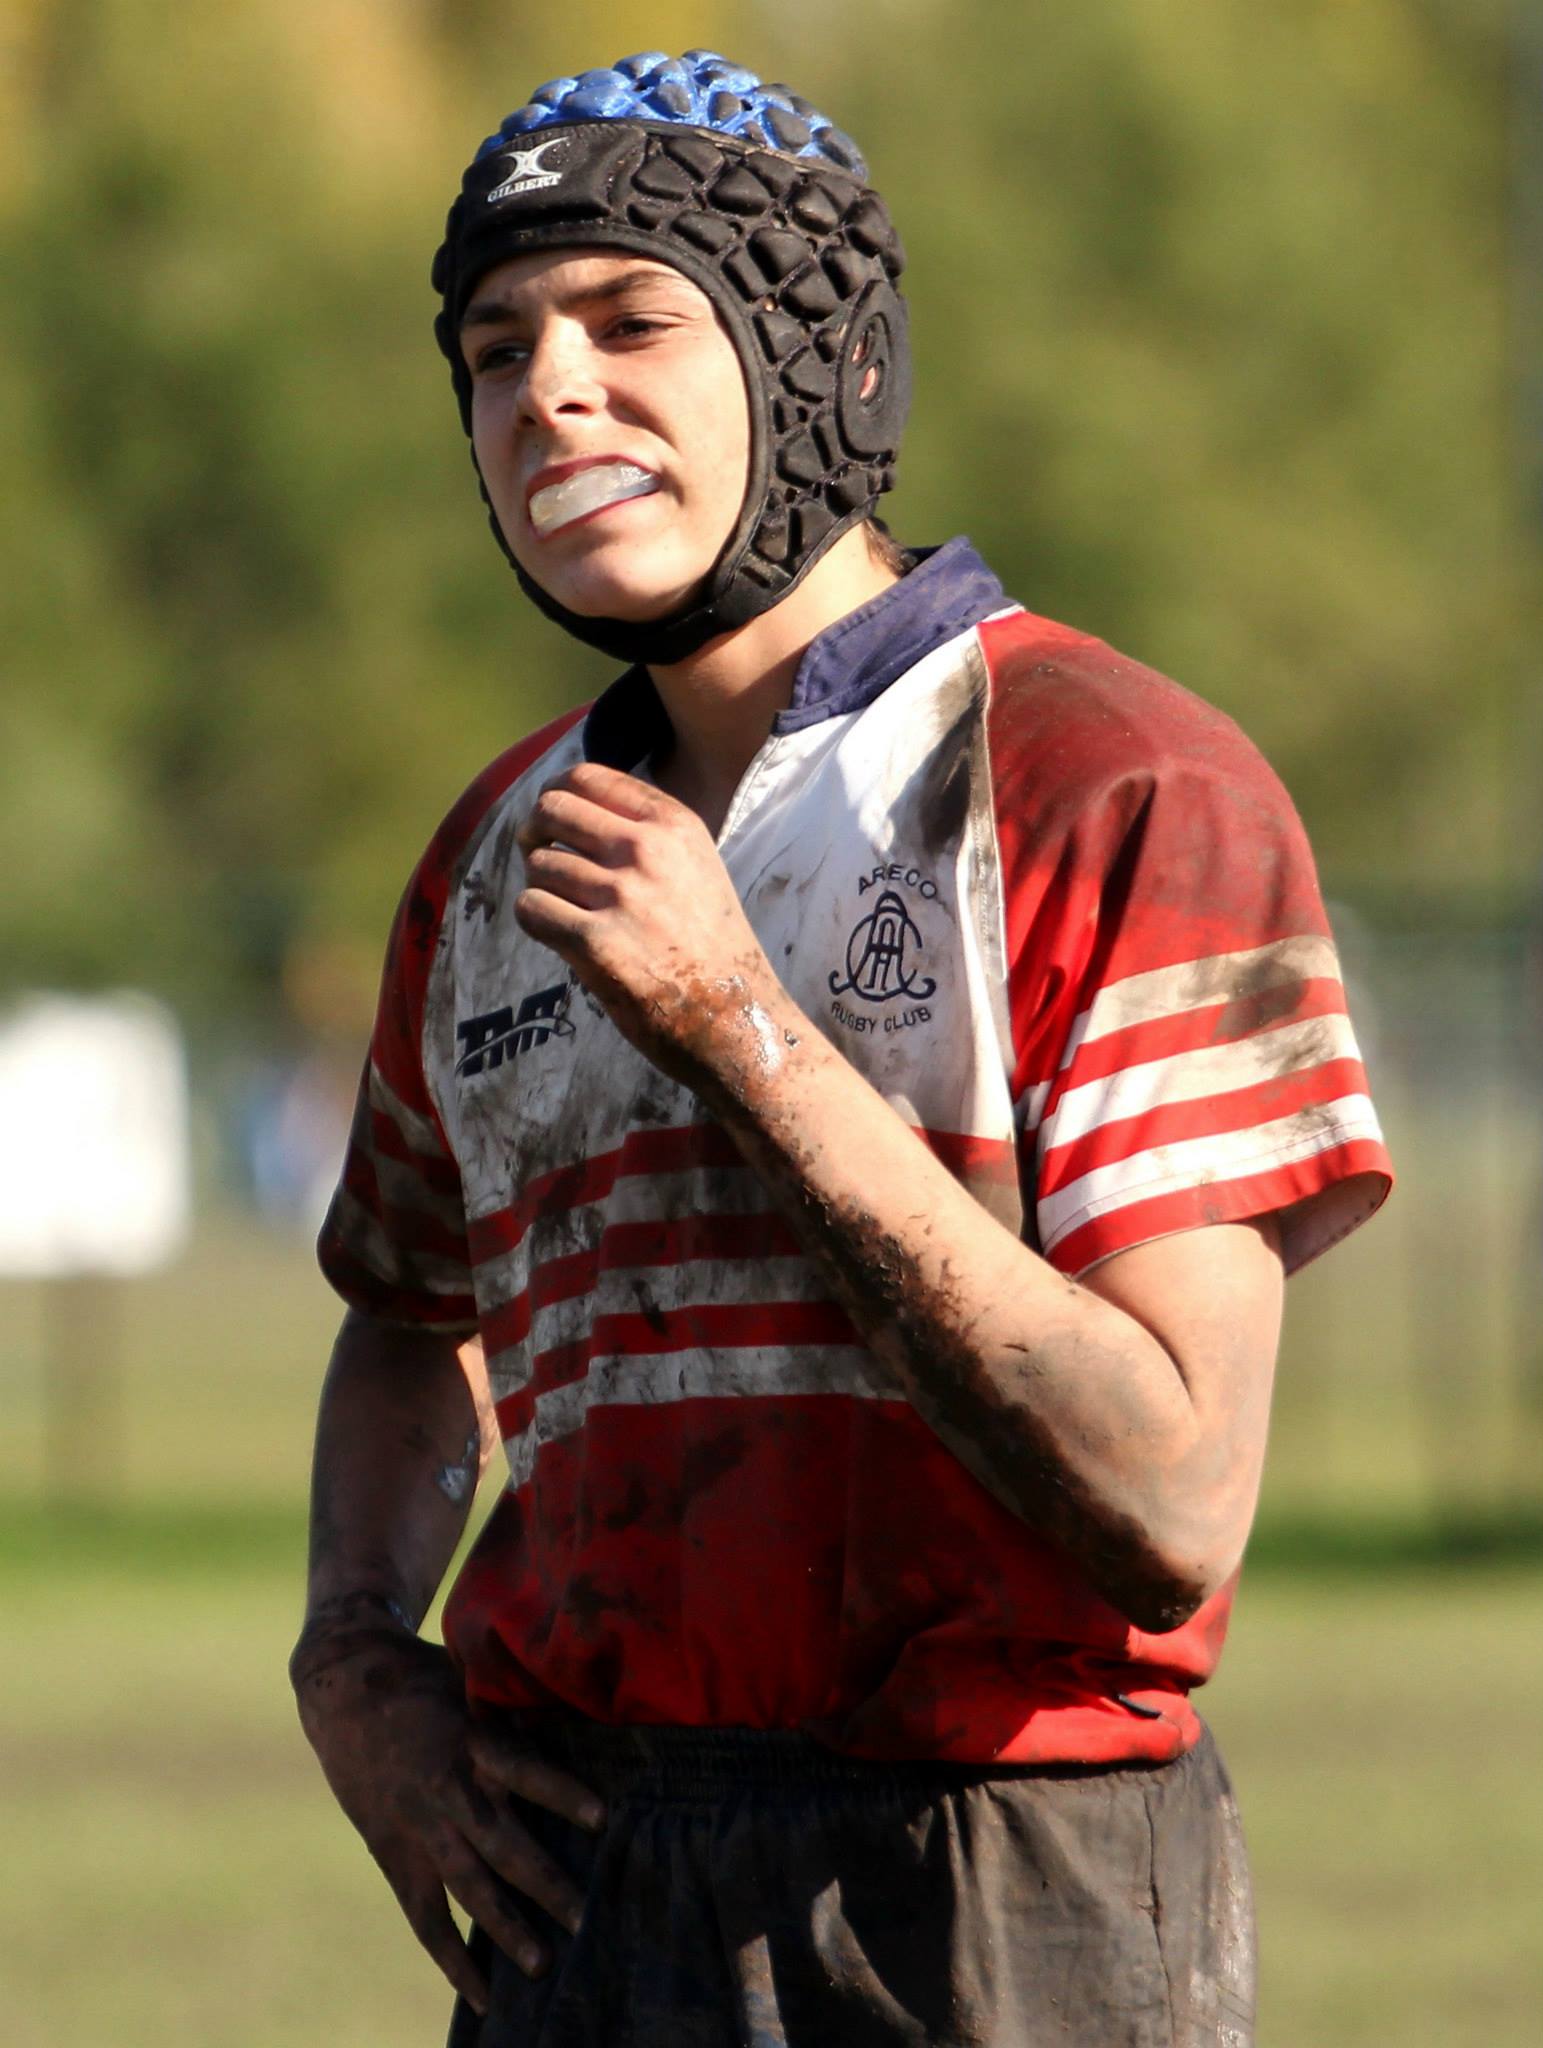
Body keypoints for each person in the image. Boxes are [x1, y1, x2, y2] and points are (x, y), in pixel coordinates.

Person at [290, 50, 1393, 2048]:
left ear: (830, 369)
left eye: (632, 320)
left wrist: (740, 1030)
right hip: (582, 1877)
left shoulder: (1105, 780)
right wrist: (357, 1654)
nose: (548, 389)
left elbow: (1168, 1497)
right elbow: (403, 1306)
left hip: (987, 1881)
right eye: (493, 347)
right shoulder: (493, 856)